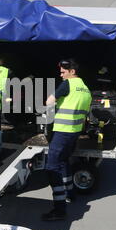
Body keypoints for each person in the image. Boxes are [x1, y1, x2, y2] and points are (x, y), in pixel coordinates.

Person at [42, 58, 92, 221]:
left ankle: (59, 209)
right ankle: (71, 193)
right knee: (63, 162)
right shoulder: (85, 89)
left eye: (63, 72)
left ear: (72, 72)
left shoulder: (67, 84)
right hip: (74, 133)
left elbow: (49, 102)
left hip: (62, 132)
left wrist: (50, 104)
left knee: (51, 167)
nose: (61, 75)